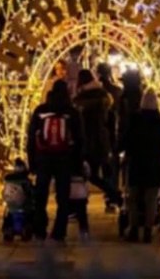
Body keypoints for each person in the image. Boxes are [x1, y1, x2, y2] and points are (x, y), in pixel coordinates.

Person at [26, 79, 84, 243]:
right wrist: (77, 164)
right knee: (63, 197)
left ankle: (39, 230)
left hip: (43, 158)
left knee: (41, 195)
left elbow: (31, 137)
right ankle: (59, 232)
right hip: (64, 158)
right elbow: (79, 140)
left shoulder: (40, 110)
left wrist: (32, 161)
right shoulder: (71, 112)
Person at [122, 89, 160, 243]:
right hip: (154, 164)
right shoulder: (159, 122)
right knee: (151, 198)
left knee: (133, 197)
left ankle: (134, 227)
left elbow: (127, 141)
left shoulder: (135, 120)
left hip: (136, 163)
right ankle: (148, 229)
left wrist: (125, 155)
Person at [73, 69, 124, 210]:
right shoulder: (104, 97)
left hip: (88, 142)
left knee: (90, 174)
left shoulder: (79, 101)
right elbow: (111, 121)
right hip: (103, 140)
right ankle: (112, 197)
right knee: (106, 172)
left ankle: (113, 195)